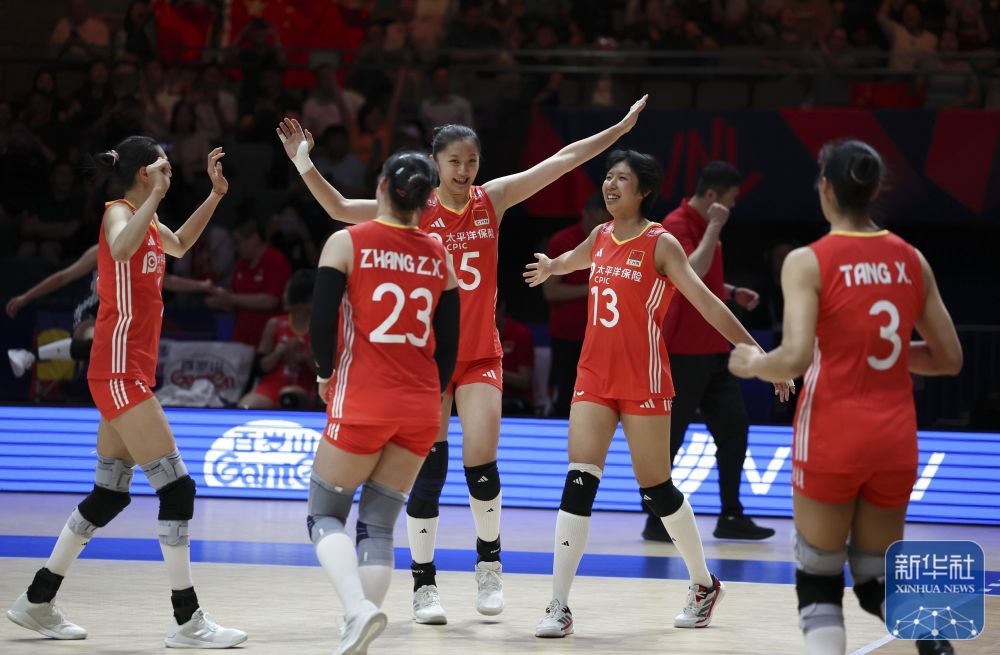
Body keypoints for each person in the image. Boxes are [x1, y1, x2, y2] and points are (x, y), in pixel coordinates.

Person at [276, 94, 649, 624]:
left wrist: (618, 129)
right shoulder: (412, 210)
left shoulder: (491, 199)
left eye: (471, 161)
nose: (464, 170)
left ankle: (489, 565)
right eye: (454, 161)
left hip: (479, 356)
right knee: (428, 470)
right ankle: (424, 584)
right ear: (435, 163)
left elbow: (563, 160)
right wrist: (302, 162)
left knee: (482, 462)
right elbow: (338, 208)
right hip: (428, 363)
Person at [524, 150, 791, 638]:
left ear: (644, 190)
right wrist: (551, 266)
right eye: (608, 177)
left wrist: (760, 354)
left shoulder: (661, 244)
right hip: (593, 377)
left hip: (643, 379)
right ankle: (558, 605)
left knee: (656, 489)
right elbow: (572, 259)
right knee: (579, 479)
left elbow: (708, 305)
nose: (610, 185)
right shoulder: (600, 235)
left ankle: (703, 583)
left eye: (621, 179)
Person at [5, 137, 246, 647]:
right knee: (177, 488)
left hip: (126, 369)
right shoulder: (118, 212)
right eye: (162, 164)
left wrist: (215, 195)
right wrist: (155, 197)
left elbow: (180, 244)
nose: (169, 170)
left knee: (109, 494)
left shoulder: (146, 219)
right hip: (118, 371)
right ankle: (187, 620)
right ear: (142, 172)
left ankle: (37, 600)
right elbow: (117, 249)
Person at [728, 140, 963, 655]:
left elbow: (793, 358)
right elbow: (949, 359)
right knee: (877, 578)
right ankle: (935, 642)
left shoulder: (808, 261)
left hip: (832, 433)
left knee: (819, 579)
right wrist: (879, 350)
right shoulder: (912, 259)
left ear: (825, 188)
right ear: (875, 190)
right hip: (895, 438)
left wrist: (752, 363)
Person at [306, 152, 459, 654]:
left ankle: (357, 610)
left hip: (364, 398)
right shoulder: (439, 254)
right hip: (422, 408)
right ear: (426, 199)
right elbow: (449, 344)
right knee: (377, 524)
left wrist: (325, 374)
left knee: (324, 514)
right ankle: (360, 634)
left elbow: (321, 320)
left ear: (381, 187)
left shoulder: (347, 241)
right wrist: (431, 396)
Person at [642, 161, 779, 543]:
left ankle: (731, 514)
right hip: (683, 351)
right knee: (670, 438)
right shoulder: (676, 223)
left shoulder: (702, 227)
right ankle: (656, 520)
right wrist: (716, 227)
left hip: (715, 349)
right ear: (713, 195)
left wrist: (731, 291)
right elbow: (690, 274)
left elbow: (704, 279)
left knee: (734, 427)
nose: (731, 208)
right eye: (730, 200)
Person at [6, 245, 214, 378]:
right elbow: (63, 277)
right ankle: (28, 355)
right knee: (97, 344)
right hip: (92, 312)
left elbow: (168, 281)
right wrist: (26, 297)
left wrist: (201, 286)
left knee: (122, 362)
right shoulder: (100, 250)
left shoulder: (145, 254)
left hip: (120, 317)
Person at [544, 192, 608, 417]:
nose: (599, 228)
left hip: (603, 336)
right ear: (585, 214)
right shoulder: (563, 241)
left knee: (600, 399)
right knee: (566, 397)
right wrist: (593, 287)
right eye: (596, 222)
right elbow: (551, 291)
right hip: (568, 336)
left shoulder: (614, 239)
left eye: (605, 223)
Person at [205, 218, 291, 348]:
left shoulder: (276, 260)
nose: (236, 247)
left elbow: (270, 300)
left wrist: (230, 298)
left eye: (238, 242)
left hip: (268, 344)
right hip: (241, 341)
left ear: (254, 239)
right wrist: (219, 299)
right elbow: (235, 299)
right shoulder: (241, 264)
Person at [238, 270, 316, 410]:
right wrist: (280, 352)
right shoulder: (274, 324)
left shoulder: (320, 329)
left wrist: (305, 357)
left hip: (303, 386)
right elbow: (260, 367)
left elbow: (330, 374)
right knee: (246, 405)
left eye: (287, 291)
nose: (283, 296)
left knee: (289, 396)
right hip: (273, 384)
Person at [496, 297, 534, 416]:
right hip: (480, 394)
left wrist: (491, 372)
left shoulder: (520, 333)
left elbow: (525, 382)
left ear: (501, 307)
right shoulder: (476, 333)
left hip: (513, 398)